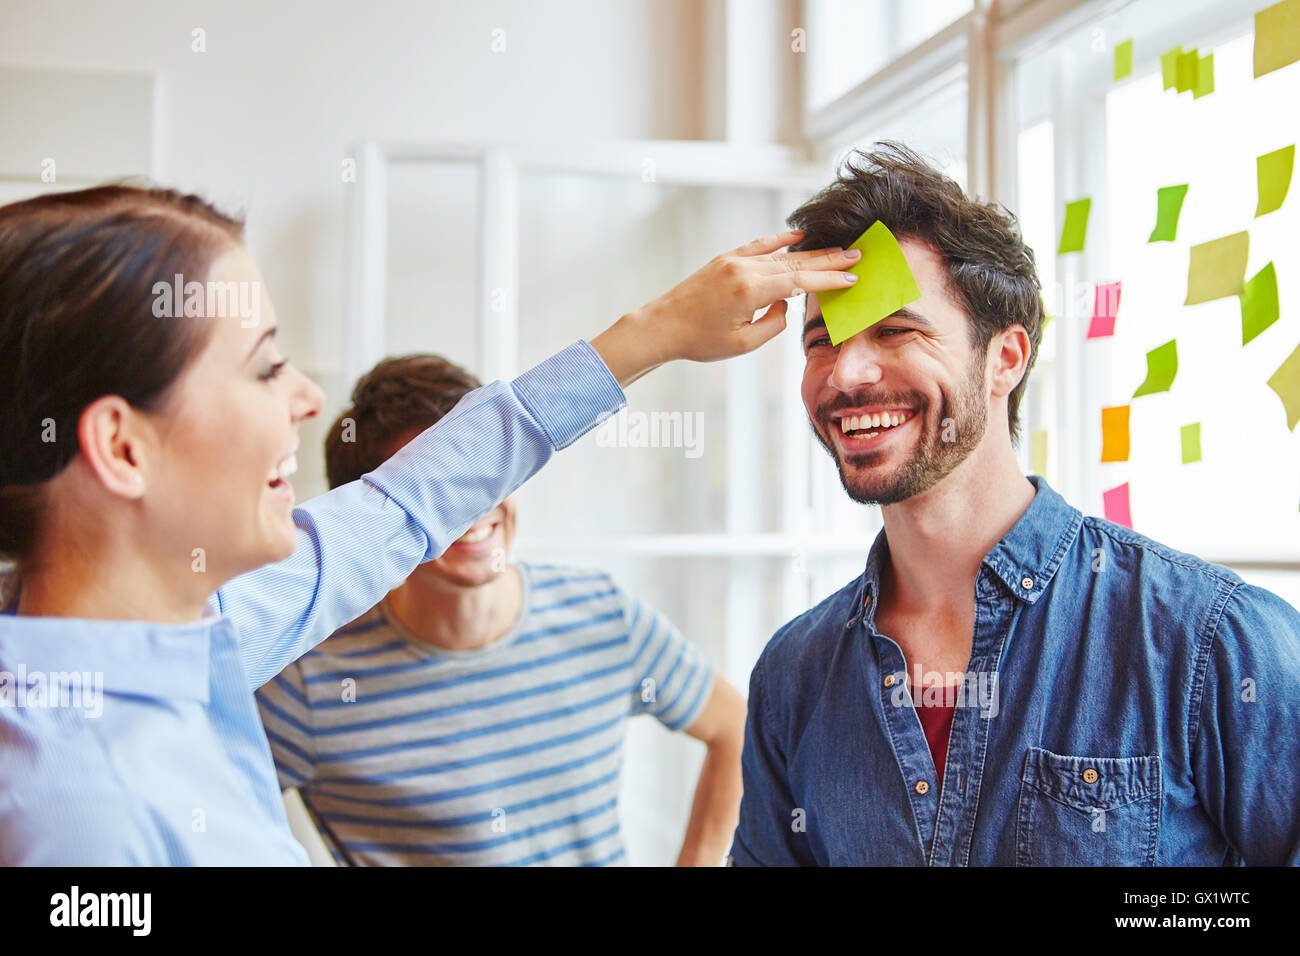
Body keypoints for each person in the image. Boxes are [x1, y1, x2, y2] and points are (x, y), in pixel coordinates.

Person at [0, 183, 861, 865]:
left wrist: (658, 331)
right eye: (264, 368)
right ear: (123, 447)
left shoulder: (214, 624)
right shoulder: (75, 814)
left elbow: (404, 504)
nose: (306, 398)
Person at [728, 143, 1300, 867]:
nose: (846, 373)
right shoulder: (793, 675)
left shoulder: (1210, 642)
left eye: (895, 329)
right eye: (821, 341)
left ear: (1005, 358)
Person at [256, 355, 745, 866]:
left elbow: (734, 728)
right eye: (435, 491)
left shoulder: (603, 614)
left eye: (480, 475)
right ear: (378, 524)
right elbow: (209, 819)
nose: (473, 507)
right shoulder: (309, 682)